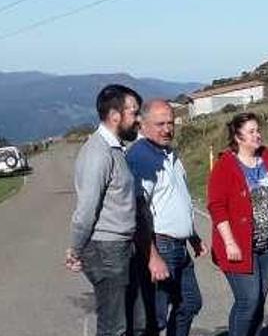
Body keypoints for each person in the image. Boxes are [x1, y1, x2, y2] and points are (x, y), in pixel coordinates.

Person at [207, 112, 268, 336]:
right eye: (251, 132)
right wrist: (229, 243)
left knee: (258, 302)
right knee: (248, 300)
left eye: (258, 130)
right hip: (239, 246)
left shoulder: (267, 158)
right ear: (238, 137)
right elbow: (216, 207)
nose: (258, 135)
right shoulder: (225, 165)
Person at [65, 84, 146, 336]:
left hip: (122, 246)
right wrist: (76, 249)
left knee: (138, 322)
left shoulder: (115, 148)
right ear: (115, 116)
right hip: (105, 249)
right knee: (115, 328)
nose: (138, 119)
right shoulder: (98, 153)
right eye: (133, 112)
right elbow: (86, 210)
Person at [127, 99, 205, 336]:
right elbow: (138, 212)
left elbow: (176, 198)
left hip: (179, 246)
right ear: (142, 125)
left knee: (190, 302)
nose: (167, 129)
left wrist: (192, 234)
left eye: (170, 123)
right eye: (160, 124)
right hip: (161, 245)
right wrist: (152, 256)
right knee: (155, 317)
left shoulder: (168, 153)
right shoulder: (141, 157)